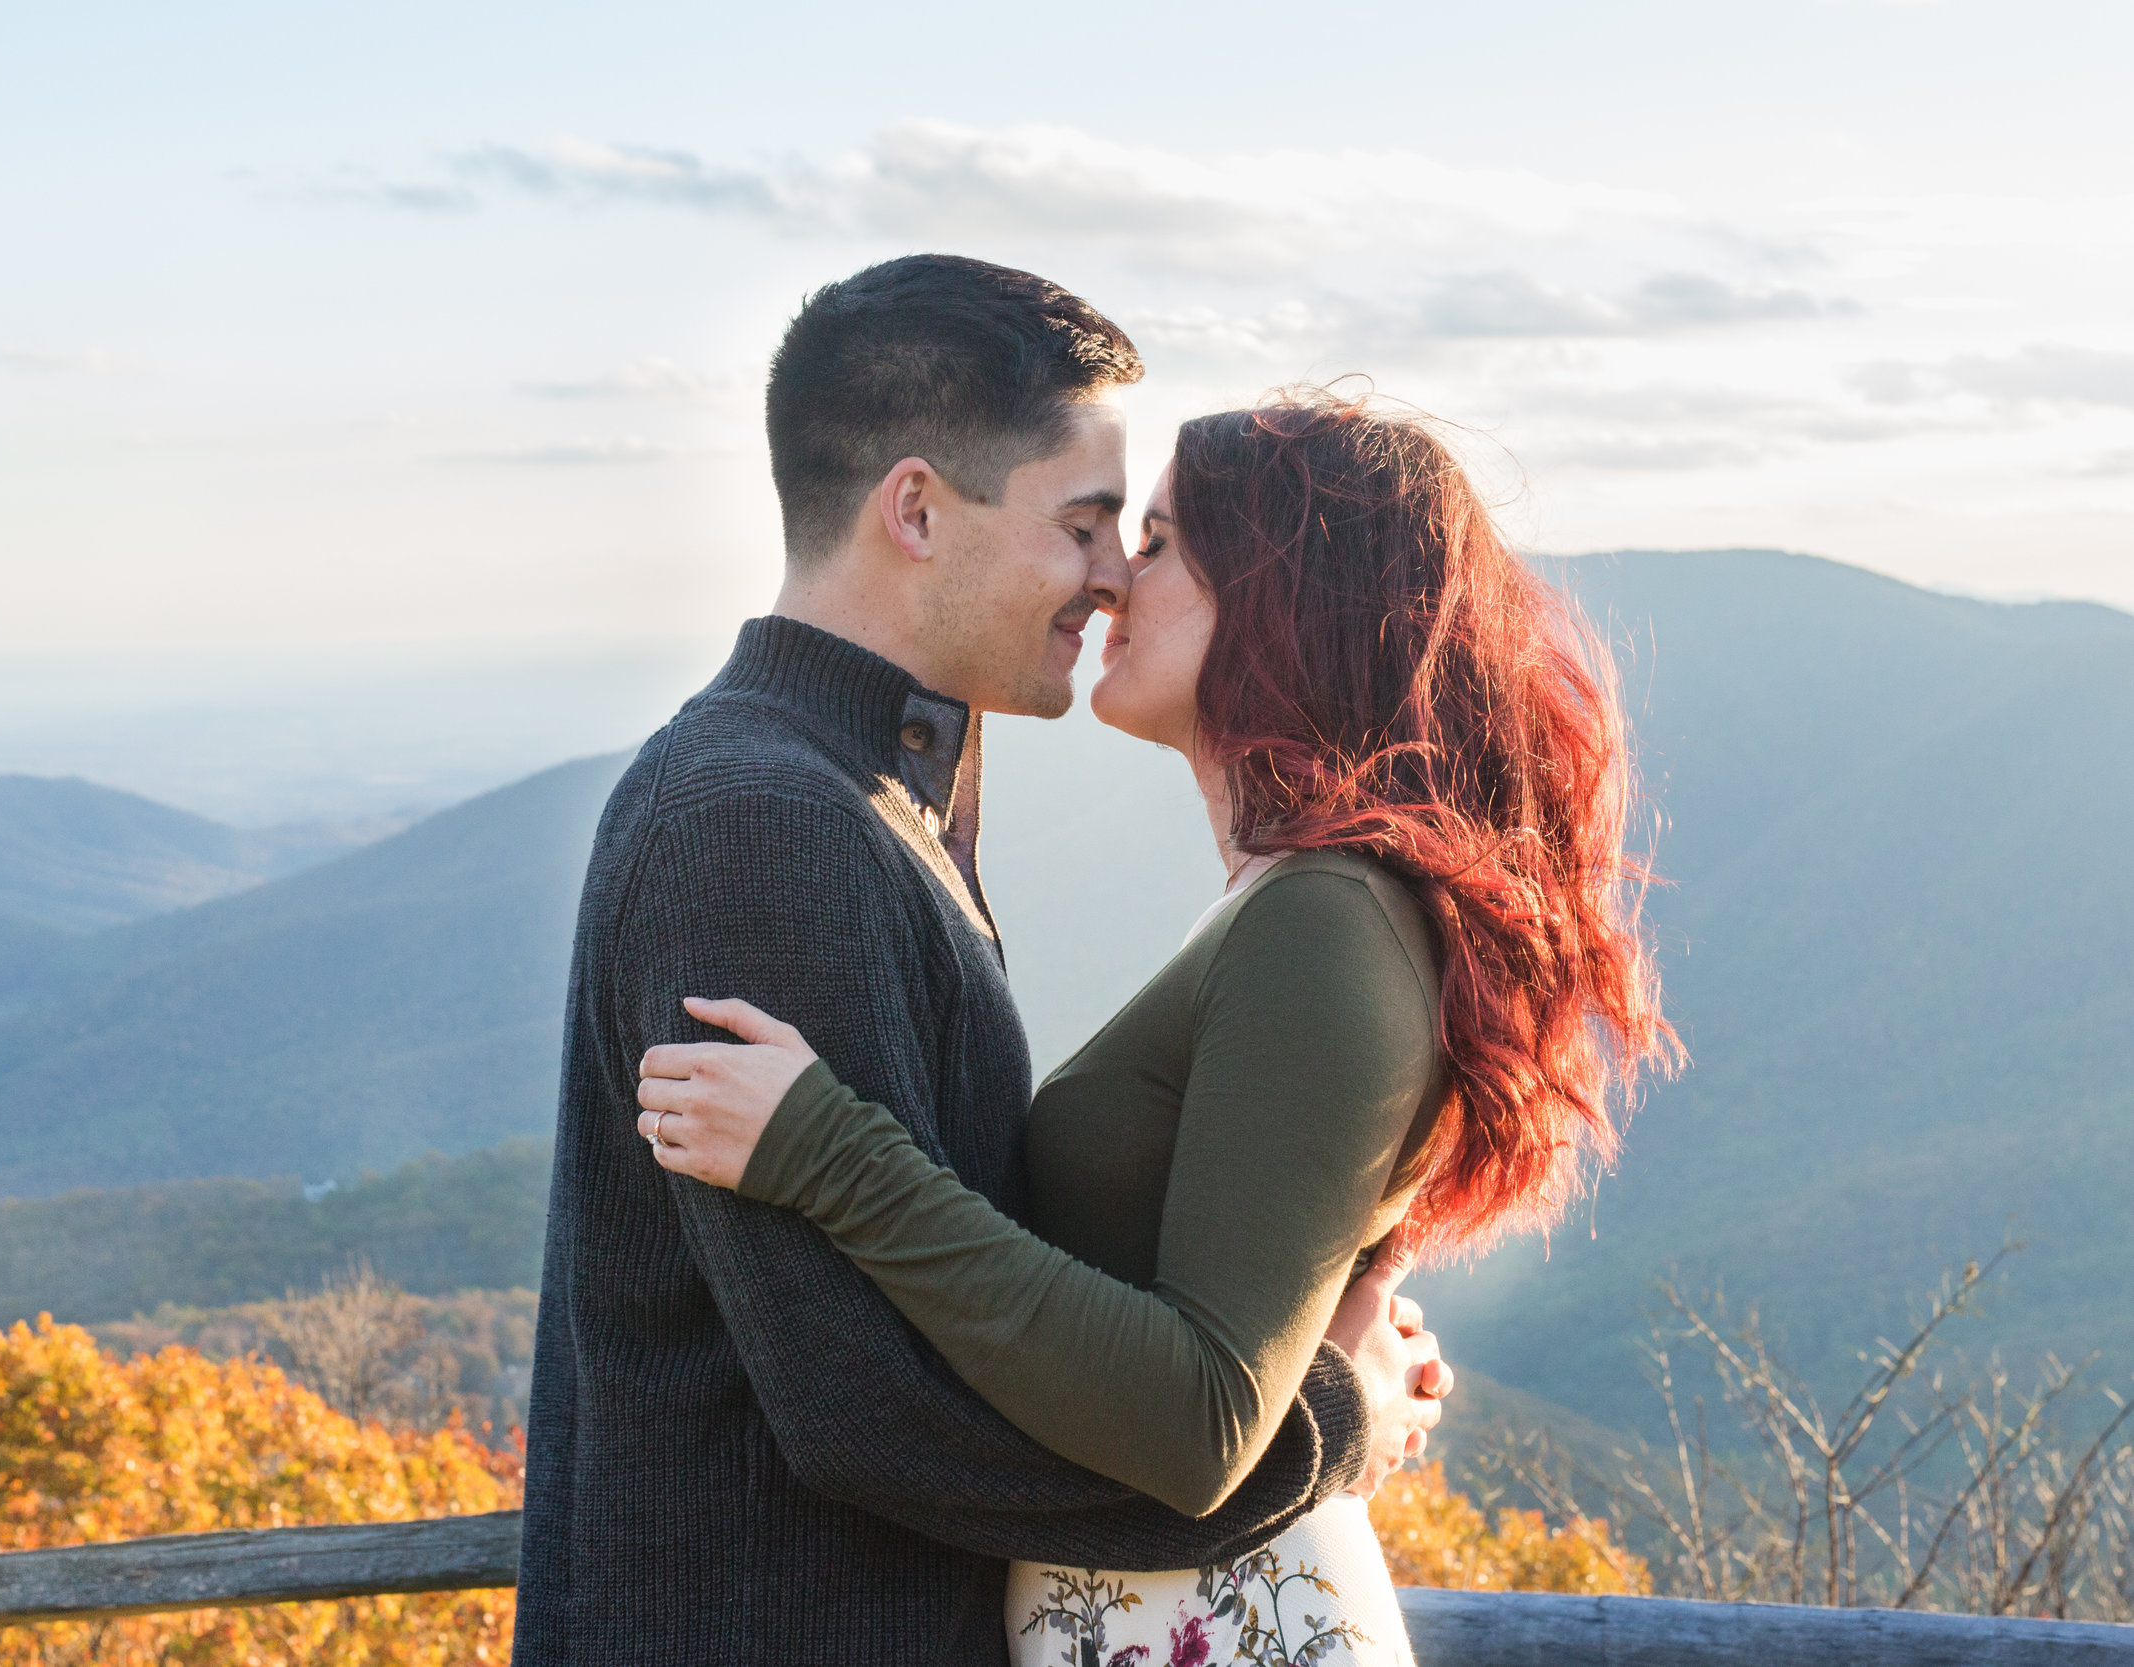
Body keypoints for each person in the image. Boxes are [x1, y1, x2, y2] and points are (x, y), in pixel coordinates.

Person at [636, 389, 1678, 1665]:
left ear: (1289, 596)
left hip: (1223, 1625)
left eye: (1165, 540)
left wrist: (831, 1155)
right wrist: (1338, 1394)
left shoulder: (1326, 917)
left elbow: (1200, 1417)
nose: (1116, 582)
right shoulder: (1292, 904)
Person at [517, 259, 1449, 1666]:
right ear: (915, 508)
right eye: (1082, 524)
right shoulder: (765, 825)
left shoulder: (869, 790)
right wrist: (1325, 1422)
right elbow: (876, 1401)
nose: (1109, 575)